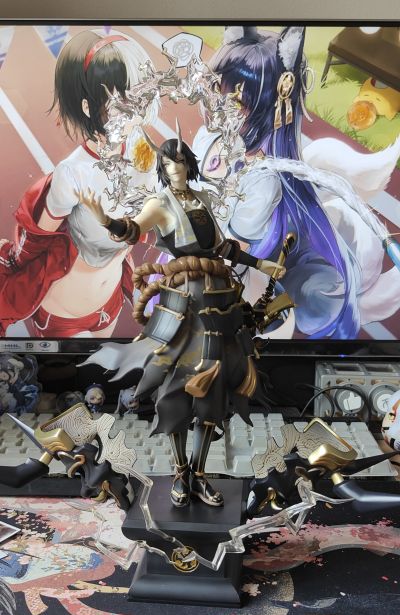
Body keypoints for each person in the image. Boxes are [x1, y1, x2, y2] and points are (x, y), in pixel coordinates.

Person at [80, 131, 285, 508]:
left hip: (219, 297)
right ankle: (179, 472)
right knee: (175, 383)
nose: (173, 167)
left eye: (177, 160)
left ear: (188, 163)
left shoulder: (202, 198)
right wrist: (105, 219)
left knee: (215, 382)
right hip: (183, 301)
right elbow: (133, 230)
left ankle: (199, 473)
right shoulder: (161, 203)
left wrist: (260, 264)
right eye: (166, 162)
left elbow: (222, 248)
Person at [193, 26, 400, 338]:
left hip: (266, 278)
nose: (220, 110)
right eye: (217, 95)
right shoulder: (213, 142)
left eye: (234, 103)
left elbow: (229, 250)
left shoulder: (265, 181)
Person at [0, 29, 158, 338]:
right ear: (88, 108)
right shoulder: (73, 173)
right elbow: (37, 240)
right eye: (122, 102)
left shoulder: (140, 147)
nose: (134, 111)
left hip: (111, 301)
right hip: (64, 312)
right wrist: (12, 266)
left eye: (138, 97)